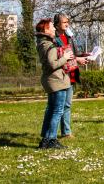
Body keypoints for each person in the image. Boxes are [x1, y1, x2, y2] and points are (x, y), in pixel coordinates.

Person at [36, 18, 74, 149]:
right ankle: (51, 139)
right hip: (56, 81)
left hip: (51, 80)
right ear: (46, 29)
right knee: (57, 110)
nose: (54, 29)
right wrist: (65, 58)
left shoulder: (42, 43)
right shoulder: (49, 45)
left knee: (52, 109)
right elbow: (53, 64)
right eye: (52, 27)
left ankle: (46, 139)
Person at [53, 13, 88, 139]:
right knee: (58, 107)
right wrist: (77, 59)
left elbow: (74, 53)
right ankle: (51, 134)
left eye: (68, 22)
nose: (67, 24)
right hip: (61, 75)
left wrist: (84, 55)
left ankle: (66, 132)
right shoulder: (54, 38)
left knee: (67, 105)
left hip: (71, 74)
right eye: (64, 22)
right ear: (57, 24)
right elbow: (58, 57)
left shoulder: (69, 36)